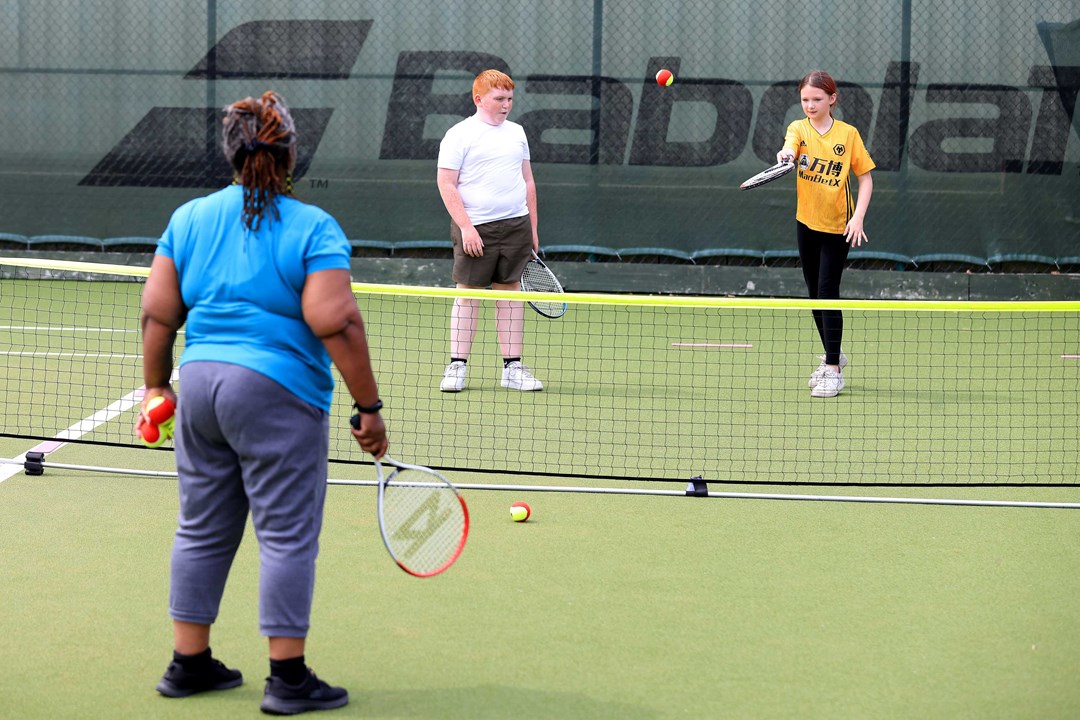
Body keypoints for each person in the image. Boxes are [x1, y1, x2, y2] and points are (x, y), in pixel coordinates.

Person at [139, 90, 388, 715]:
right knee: (286, 537)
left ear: (231, 152)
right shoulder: (312, 227)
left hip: (198, 387)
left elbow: (158, 313)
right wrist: (369, 407)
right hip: (276, 393)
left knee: (200, 528)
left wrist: (155, 387)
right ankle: (288, 679)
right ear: (291, 155)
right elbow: (337, 322)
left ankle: (188, 663)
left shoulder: (189, 218)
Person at [435, 68, 544, 393]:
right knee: (468, 297)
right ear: (479, 98)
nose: (506, 104)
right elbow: (446, 183)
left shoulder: (517, 133)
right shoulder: (459, 135)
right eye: (499, 99)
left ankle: (512, 369)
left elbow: (528, 181)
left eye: (510, 98)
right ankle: (457, 366)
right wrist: (467, 228)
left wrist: (533, 229)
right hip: (476, 229)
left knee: (510, 296)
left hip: (517, 226)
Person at [776, 70, 875, 398]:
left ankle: (833, 370)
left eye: (817, 99)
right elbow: (790, 147)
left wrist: (857, 218)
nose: (810, 105)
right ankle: (834, 354)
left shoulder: (848, 135)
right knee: (814, 296)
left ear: (832, 99)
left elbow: (866, 178)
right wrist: (787, 156)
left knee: (827, 291)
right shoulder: (799, 129)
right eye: (805, 99)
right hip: (806, 223)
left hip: (838, 226)